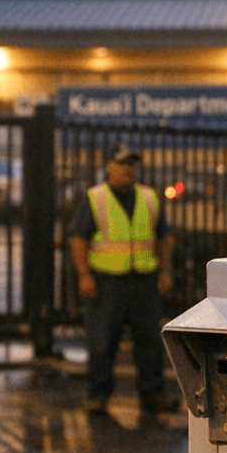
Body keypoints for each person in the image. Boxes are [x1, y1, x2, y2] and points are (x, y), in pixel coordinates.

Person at [68, 145, 174, 414]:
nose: (128, 169)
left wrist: (164, 271)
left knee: (150, 341)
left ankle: (152, 393)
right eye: (122, 164)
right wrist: (84, 276)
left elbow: (164, 237)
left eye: (131, 164)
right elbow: (78, 238)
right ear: (109, 167)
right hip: (107, 283)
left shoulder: (149, 197)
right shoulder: (96, 197)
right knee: (102, 342)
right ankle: (98, 395)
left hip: (143, 280)